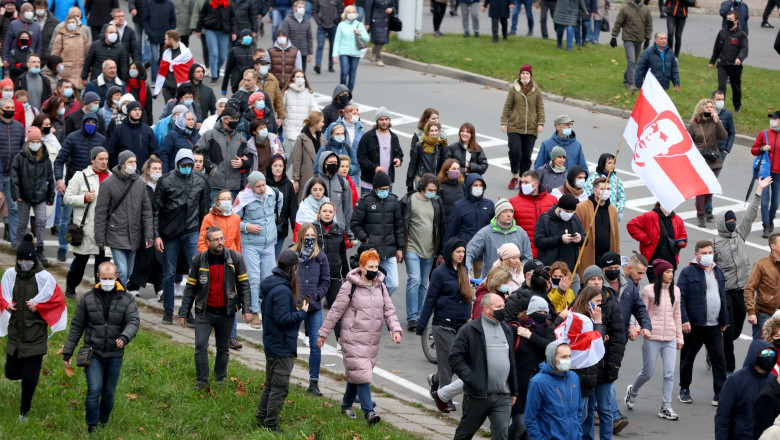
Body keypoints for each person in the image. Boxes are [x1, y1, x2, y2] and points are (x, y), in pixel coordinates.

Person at [318, 248, 403, 425]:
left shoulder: (380, 286)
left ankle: (346, 405)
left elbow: (389, 310)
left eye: (376, 266)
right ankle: (369, 412)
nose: (374, 269)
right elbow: (335, 312)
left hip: (371, 340)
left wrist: (395, 329)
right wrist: (323, 334)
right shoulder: (350, 286)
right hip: (352, 337)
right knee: (362, 374)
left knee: (357, 373)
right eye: (370, 266)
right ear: (362, 267)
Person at [62, 261, 139, 433]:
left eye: (110, 278)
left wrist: (124, 337)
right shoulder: (87, 298)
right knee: (94, 389)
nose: (107, 281)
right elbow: (77, 326)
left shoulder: (127, 299)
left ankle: (103, 421)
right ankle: (92, 426)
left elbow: (133, 321)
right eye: (104, 278)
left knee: (109, 393)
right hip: (93, 353)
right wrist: (68, 351)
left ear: (116, 277)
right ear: (98, 277)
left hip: (115, 354)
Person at [179, 226, 252, 387]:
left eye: (222, 239)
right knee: (200, 346)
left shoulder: (235, 258)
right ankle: (202, 381)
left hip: (226, 312)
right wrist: (183, 312)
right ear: (207, 242)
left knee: (223, 348)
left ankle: (220, 379)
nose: (220, 242)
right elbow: (190, 288)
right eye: (216, 239)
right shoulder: (198, 260)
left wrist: (247, 309)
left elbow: (244, 285)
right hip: (204, 312)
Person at [2, 235, 65, 420]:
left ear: (34, 259)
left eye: (27, 261)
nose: (24, 264)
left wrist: (39, 307)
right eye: (20, 261)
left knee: (31, 378)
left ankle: (24, 412)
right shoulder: (9, 275)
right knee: (11, 373)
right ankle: (21, 378)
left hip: (36, 335)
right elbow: (1, 295)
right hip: (16, 334)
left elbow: (57, 301)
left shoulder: (45, 278)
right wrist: (5, 305)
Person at [154, 149, 211, 324]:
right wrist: (156, 235)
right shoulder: (165, 181)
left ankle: (188, 312)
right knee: (169, 273)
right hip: (170, 233)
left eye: (189, 165)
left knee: (195, 273)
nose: (186, 167)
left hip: (192, 231)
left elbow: (204, 210)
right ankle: (168, 311)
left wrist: (205, 234)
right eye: (183, 164)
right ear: (177, 163)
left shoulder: (201, 181)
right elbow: (156, 210)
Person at [449, 293, 518, 439]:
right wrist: (472, 379)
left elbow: (511, 361)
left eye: (503, 306)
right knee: (464, 434)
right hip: (478, 394)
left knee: (501, 435)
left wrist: (513, 390)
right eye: (499, 307)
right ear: (486, 309)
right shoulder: (470, 329)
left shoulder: (506, 329)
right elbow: (455, 357)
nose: (503, 310)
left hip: (503, 395)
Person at [416, 237, 472, 411]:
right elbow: (430, 298)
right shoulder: (439, 273)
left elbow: (467, 296)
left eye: (463, 251)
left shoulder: (464, 269)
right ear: (450, 253)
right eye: (458, 252)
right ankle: (444, 397)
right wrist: (422, 323)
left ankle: (435, 380)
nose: (461, 255)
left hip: (461, 323)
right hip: (443, 323)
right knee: (447, 363)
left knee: (460, 361)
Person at [716, 179, 766, 369]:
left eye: (733, 220)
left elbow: (750, 216)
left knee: (735, 332)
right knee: (728, 332)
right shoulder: (714, 244)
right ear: (722, 223)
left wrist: (759, 192)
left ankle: (715, 349)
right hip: (726, 293)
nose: (732, 223)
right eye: (728, 221)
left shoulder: (739, 235)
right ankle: (729, 368)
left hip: (742, 293)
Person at [253, 250, 306, 432]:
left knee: (269, 385)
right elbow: (283, 319)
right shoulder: (283, 290)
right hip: (281, 346)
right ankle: (271, 424)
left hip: (272, 344)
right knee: (279, 388)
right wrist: (301, 313)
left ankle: (261, 418)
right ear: (292, 268)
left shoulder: (273, 284)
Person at [624, 259, 683, 420]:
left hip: (670, 337)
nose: (671, 275)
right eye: (667, 272)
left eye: (672, 271)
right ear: (659, 274)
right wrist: (638, 329)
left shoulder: (676, 291)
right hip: (652, 337)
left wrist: (679, 337)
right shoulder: (648, 291)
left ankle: (666, 406)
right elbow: (640, 312)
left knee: (669, 374)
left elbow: (677, 314)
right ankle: (633, 392)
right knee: (647, 372)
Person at [579, 264, 627, 440]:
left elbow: (618, 339)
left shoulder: (611, 304)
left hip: (605, 367)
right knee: (588, 410)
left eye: (599, 279)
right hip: (586, 369)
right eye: (593, 279)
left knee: (606, 410)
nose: (597, 282)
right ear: (586, 283)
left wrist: (613, 366)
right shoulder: (578, 304)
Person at [678, 240, 728, 405]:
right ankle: (684, 388)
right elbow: (680, 298)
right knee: (688, 357)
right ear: (696, 254)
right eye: (704, 253)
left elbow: (722, 297)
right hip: (694, 324)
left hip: (714, 325)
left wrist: (724, 319)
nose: (707, 256)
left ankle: (719, 393)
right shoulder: (687, 273)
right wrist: (684, 320)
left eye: (709, 253)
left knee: (719, 359)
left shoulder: (717, 271)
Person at [94, 150, 153, 285]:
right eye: (130, 162)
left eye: (135, 161)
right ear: (122, 164)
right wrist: (100, 238)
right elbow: (101, 212)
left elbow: (147, 211)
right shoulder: (108, 183)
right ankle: (121, 301)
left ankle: (118, 295)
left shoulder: (139, 183)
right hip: (116, 233)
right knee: (122, 270)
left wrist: (149, 235)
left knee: (129, 272)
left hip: (134, 234)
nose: (133, 164)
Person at [235, 171, 283, 328]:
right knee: (254, 279)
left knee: (269, 280)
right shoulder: (243, 198)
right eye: (258, 186)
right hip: (250, 244)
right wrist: (247, 226)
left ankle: (268, 312)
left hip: (269, 244)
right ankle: (254, 312)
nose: (262, 188)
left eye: (263, 184)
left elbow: (279, 207)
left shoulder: (273, 193)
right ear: (251, 186)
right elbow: (234, 219)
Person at [63, 146, 112, 298]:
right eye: (100, 159)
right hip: (84, 229)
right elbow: (67, 198)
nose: (104, 162)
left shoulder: (112, 177)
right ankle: (70, 289)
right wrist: (84, 198)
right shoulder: (80, 176)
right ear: (93, 160)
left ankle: (100, 294)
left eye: (106, 159)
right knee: (79, 263)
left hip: (105, 230)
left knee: (103, 264)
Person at [400, 173, 446, 330]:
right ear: (422, 188)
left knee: (424, 283)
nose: (433, 192)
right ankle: (412, 317)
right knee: (414, 279)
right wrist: (400, 247)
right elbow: (400, 225)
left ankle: (419, 315)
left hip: (430, 249)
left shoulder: (437, 202)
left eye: (435, 190)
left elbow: (442, 226)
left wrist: (440, 252)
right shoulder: (409, 200)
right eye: (430, 189)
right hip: (411, 246)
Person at [290, 223, 330, 395]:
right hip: (294, 306)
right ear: (300, 237)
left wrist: (314, 297)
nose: (310, 239)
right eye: (307, 235)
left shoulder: (321, 257)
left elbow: (326, 281)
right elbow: (285, 278)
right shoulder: (292, 256)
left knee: (316, 344)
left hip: (313, 307)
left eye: (313, 236)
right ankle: (284, 376)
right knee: (289, 342)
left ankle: (314, 382)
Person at [350, 172, 405, 295]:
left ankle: (383, 303)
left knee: (393, 283)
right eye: (382, 189)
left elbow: (399, 227)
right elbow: (355, 224)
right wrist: (366, 239)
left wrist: (400, 248)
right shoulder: (365, 201)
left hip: (389, 250)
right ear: (375, 188)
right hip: (372, 251)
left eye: (387, 189)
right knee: (372, 284)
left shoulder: (394, 201)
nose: (385, 192)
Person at [10, 127, 55, 264]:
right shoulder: (20, 157)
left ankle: (40, 248)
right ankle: (21, 248)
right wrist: (16, 193)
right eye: (33, 141)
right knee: (22, 224)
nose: (35, 144)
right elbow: (14, 176)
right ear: (28, 143)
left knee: (41, 222)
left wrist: (50, 195)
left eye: (38, 141)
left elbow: (50, 177)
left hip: (40, 195)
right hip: (24, 195)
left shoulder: (45, 159)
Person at [716, 341, 777, 440]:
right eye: (765, 353)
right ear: (755, 354)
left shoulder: (773, 380)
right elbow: (723, 417)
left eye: (772, 354)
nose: (769, 356)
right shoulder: (735, 380)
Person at [524, 341, 581, 440]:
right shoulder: (538, 382)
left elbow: (579, 412)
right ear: (552, 358)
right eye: (563, 357)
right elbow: (530, 418)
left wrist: (579, 435)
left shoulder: (574, 378)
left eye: (569, 356)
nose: (568, 360)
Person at [501, 65, 544, 189]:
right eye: (523, 73)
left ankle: (522, 179)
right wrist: (504, 122)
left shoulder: (536, 91)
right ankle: (514, 176)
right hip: (515, 126)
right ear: (520, 75)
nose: (525, 75)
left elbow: (540, 108)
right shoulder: (514, 89)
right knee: (515, 151)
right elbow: (507, 106)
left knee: (526, 155)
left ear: (531, 75)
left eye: (527, 73)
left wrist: (540, 123)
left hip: (530, 128)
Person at [466, 199, 533, 278]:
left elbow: (528, 257)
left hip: (516, 281)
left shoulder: (521, 232)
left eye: (511, 211)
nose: (509, 214)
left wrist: (520, 272)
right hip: (492, 281)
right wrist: (466, 271)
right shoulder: (485, 232)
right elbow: (469, 251)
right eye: (505, 211)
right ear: (497, 214)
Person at [443, 174, 494, 277]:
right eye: (475, 185)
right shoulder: (458, 205)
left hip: (482, 253)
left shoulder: (489, 204)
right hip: (464, 253)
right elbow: (450, 231)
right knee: (466, 284)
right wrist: (445, 252)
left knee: (481, 284)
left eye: (480, 185)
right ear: (469, 186)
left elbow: (493, 228)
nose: (478, 188)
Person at [126, 157, 164, 296]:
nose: (157, 171)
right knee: (143, 257)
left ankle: (160, 287)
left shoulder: (162, 185)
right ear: (148, 170)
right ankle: (133, 285)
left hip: (158, 226)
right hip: (142, 227)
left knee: (159, 257)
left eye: (159, 169)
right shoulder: (139, 185)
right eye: (154, 169)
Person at [688, 98, 728, 227]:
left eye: (711, 107)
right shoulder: (694, 124)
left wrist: (717, 122)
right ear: (701, 108)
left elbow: (723, 136)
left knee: (710, 188)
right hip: (699, 160)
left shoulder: (715, 122)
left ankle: (701, 205)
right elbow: (689, 142)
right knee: (701, 188)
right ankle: (701, 214)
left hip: (713, 158)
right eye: (707, 107)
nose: (710, 109)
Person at [196, 106, 250, 199]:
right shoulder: (210, 135)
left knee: (230, 213)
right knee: (213, 212)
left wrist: (243, 163)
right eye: (233, 119)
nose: (236, 121)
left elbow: (249, 157)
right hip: (213, 185)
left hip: (233, 187)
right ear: (225, 119)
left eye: (237, 118)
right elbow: (197, 152)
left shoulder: (241, 138)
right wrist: (210, 167)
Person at [627, 201, 688, 281]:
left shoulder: (678, 220)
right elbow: (631, 225)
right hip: (653, 263)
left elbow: (683, 236)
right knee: (656, 289)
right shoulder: (649, 216)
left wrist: (681, 243)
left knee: (668, 289)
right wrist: (645, 239)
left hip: (670, 263)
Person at [574, 177, 620, 280]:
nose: (606, 192)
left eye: (608, 189)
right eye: (603, 189)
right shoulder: (581, 208)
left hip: (607, 256)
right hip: (589, 255)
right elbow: (576, 233)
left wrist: (617, 257)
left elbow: (616, 236)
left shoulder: (612, 210)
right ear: (595, 190)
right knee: (588, 283)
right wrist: (577, 255)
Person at [534, 193, 585, 277]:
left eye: (572, 212)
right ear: (559, 207)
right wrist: (560, 239)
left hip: (571, 270)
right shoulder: (544, 219)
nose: (569, 214)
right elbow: (538, 241)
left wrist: (580, 239)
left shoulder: (575, 219)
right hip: (551, 270)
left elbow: (585, 239)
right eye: (567, 211)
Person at [510, 170, 558, 258]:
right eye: (522, 182)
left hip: (548, 251)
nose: (523, 185)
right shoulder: (514, 202)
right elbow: (508, 227)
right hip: (524, 252)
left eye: (526, 182)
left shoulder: (552, 200)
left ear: (536, 184)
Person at [356, 107, 403, 195]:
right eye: (381, 119)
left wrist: (398, 159)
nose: (384, 122)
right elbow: (361, 157)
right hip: (369, 182)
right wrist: (375, 168)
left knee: (386, 207)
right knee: (366, 207)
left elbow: (399, 153)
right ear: (377, 121)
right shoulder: (368, 137)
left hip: (387, 182)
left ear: (389, 120)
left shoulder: (394, 137)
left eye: (386, 119)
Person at [709, 11, 748, 114]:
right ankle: (720, 108)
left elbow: (744, 49)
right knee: (721, 86)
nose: (728, 21)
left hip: (735, 66)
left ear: (736, 21)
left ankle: (737, 107)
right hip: (722, 64)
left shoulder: (741, 35)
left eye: (730, 19)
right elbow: (716, 48)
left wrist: (739, 58)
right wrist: (712, 61)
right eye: (727, 19)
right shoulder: (722, 32)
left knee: (736, 87)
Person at [0, 96, 26, 248]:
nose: (10, 111)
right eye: (7, 108)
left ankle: (16, 243)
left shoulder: (19, 127)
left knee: (14, 208)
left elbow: (22, 149)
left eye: (12, 108)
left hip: (12, 174)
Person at [610, 0, 652, 90]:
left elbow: (649, 25)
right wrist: (614, 36)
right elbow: (618, 23)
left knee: (633, 62)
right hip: (628, 39)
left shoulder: (646, 9)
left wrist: (647, 38)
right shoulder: (625, 9)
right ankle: (632, 83)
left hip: (639, 39)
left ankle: (626, 80)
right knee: (631, 60)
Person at [315, 105, 363, 183]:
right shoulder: (325, 149)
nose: (340, 136)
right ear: (331, 135)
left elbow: (356, 166)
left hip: (346, 182)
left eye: (342, 134)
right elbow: (317, 168)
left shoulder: (348, 148)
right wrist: (332, 170)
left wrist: (347, 169)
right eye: (337, 134)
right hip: (329, 182)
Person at [746, 233, 780, 341]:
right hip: (765, 315)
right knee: (762, 350)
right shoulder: (761, 265)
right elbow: (749, 289)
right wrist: (751, 312)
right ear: (772, 246)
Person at [195, 0, 236, 86]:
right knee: (214, 53)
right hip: (211, 30)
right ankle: (214, 76)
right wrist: (198, 29)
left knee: (223, 55)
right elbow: (202, 15)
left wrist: (234, 32)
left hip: (224, 31)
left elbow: (233, 17)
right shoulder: (209, 2)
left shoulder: (228, 3)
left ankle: (216, 69)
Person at [753, 112, 780, 238]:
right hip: (765, 172)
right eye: (772, 118)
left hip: (778, 174)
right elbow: (754, 150)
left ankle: (771, 219)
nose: (772, 121)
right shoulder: (763, 133)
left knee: (775, 202)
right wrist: (762, 148)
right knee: (764, 201)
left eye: (775, 118)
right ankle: (766, 225)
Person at [266, 155, 298, 257]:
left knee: (273, 258)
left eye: (281, 166)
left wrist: (295, 230)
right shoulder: (263, 183)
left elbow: (293, 209)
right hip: (265, 228)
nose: (278, 168)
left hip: (280, 228)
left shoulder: (288, 185)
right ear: (270, 167)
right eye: (275, 165)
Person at [332, 6, 368, 93]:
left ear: (356, 14)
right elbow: (337, 41)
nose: (351, 14)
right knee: (344, 72)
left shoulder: (359, 25)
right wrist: (334, 55)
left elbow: (367, 39)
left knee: (352, 75)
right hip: (344, 52)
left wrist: (360, 34)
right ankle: (342, 92)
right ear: (345, 14)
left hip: (356, 53)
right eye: (349, 12)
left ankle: (349, 94)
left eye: (353, 12)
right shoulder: (341, 25)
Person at [282, 69, 319, 152]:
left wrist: (316, 118)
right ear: (293, 78)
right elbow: (281, 109)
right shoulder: (286, 93)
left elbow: (315, 108)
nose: (300, 78)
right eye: (298, 77)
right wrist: (279, 119)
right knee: (294, 150)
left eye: (302, 77)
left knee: (298, 153)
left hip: (303, 127)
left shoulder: (308, 93)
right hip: (289, 127)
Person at [51, 14, 90, 92]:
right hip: (65, 73)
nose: (71, 24)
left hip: (79, 73)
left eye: (73, 22)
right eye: (69, 22)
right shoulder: (61, 36)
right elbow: (55, 55)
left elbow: (87, 53)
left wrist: (88, 70)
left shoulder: (82, 35)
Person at [153, 31, 195, 103]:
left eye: (166, 39)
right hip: (167, 88)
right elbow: (162, 72)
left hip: (180, 88)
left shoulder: (186, 54)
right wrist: (157, 90)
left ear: (171, 40)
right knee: (169, 110)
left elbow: (191, 72)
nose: (165, 41)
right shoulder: (166, 53)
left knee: (178, 110)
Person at [292, 111, 325, 201]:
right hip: (306, 176)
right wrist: (296, 179)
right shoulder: (301, 138)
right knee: (305, 200)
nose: (323, 124)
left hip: (321, 176)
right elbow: (297, 160)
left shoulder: (322, 137)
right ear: (315, 123)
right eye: (321, 122)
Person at [585, 153, 626, 220]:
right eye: (609, 163)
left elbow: (622, 198)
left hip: (612, 215)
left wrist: (616, 210)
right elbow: (587, 196)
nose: (612, 165)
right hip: (595, 215)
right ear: (603, 164)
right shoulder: (592, 180)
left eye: (613, 163)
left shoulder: (617, 180)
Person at [279, 2, 313, 73]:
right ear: (294, 9)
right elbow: (284, 36)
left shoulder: (307, 21)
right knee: (291, 73)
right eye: (299, 7)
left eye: (303, 7)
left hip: (303, 52)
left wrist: (310, 53)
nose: (302, 9)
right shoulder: (287, 21)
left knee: (302, 74)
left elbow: (309, 38)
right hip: (291, 53)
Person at [221, 30, 257, 95]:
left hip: (251, 82)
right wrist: (224, 88)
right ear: (242, 37)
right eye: (246, 36)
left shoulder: (254, 50)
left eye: (250, 36)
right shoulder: (234, 50)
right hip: (237, 83)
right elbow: (228, 70)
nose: (248, 37)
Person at [312, 0, 342, 74]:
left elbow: (341, 10)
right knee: (320, 45)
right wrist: (318, 21)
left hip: (333, 25)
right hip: (322, 25)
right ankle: (318, 64)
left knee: (332, 45)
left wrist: (338, 20)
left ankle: (330, 64)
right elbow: (314, 11)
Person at [364, 0, 395, 66]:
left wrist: (392, 9)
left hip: (386, 21)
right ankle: (379, 59)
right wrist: (367, 23)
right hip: (375, 20)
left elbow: (394, 5)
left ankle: (373, 50)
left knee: (384, 40)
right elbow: (368, 8)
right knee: (379, 40)